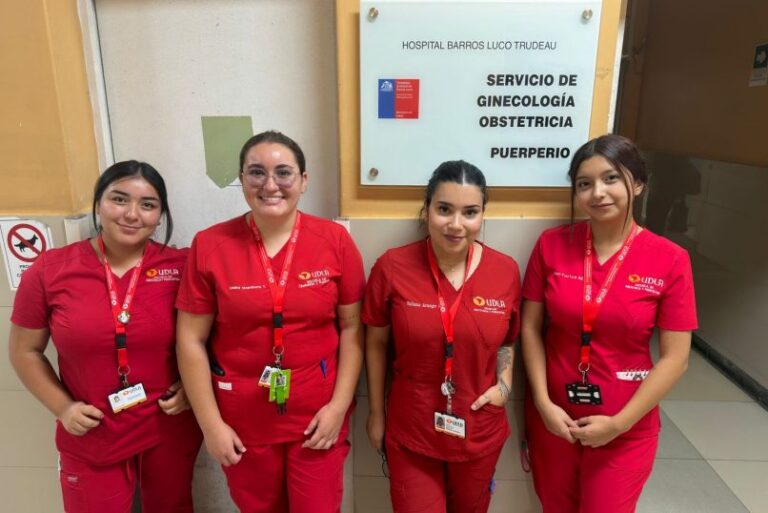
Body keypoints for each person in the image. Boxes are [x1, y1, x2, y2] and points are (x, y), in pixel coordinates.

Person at [175, 130, 365, 513]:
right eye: (256, 173)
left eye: (284, 173)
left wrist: (338, 408)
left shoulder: (334, 241)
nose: (270, 185)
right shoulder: (210, 245)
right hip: (242, 421)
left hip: (317, 419)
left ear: (303, 181)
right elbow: (190, 341)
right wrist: (211, 426)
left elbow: (352, 329)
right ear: (242, 180)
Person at [9, 161, 202, 513]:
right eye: (119, 199)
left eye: (147, 205)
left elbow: (212, 338)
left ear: (160, 216)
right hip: (91, 431)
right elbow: (25, 351)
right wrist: (63, 408)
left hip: (167, 425)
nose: (132, 214)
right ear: (98, 204)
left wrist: (193, 388)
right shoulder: (51, 271)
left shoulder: (183, 266)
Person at [521, 134, 697, 513]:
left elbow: (675, 358)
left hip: (626, 423)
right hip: (555, 419)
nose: (597, 193)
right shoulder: (551, 245)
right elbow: (530, 329)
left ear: (637, 183)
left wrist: (619, 424)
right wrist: (542, 402)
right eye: (584, 184)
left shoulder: (670, 259)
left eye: (611, 178)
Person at [363, 160, 521, 513]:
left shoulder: (505, 270)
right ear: (427, 209)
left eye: (470, 212)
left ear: (482, 215)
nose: (456, 224)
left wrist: (505, 386)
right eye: (444, 209)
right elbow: (374, 343)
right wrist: (376, 413)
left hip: (479, 429)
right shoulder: (392, 267)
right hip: (412, 428)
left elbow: (508, 340)